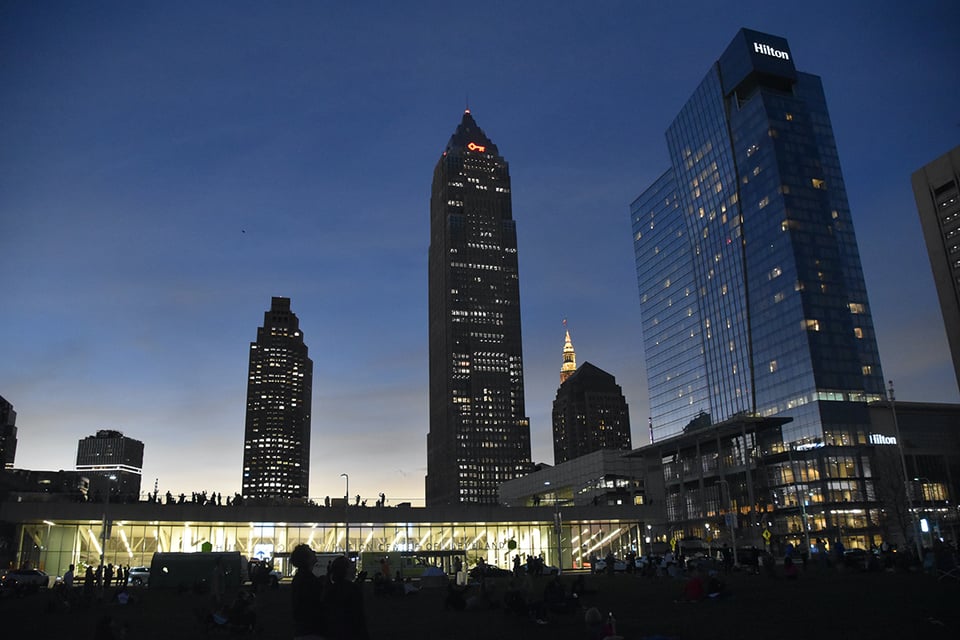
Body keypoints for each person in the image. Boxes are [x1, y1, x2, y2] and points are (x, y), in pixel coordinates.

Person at [324, 555, 370, 640]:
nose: (355, 568)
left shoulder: (330, 589)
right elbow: (358, 617)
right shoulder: (353, 589)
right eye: (351, 565)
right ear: (346, 569)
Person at [290, 544, 326, 640]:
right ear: (306, 559)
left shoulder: (301, 577)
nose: (314, 552)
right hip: (311, 630)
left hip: (304, 629)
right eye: (311, 551)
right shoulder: (307, 579)